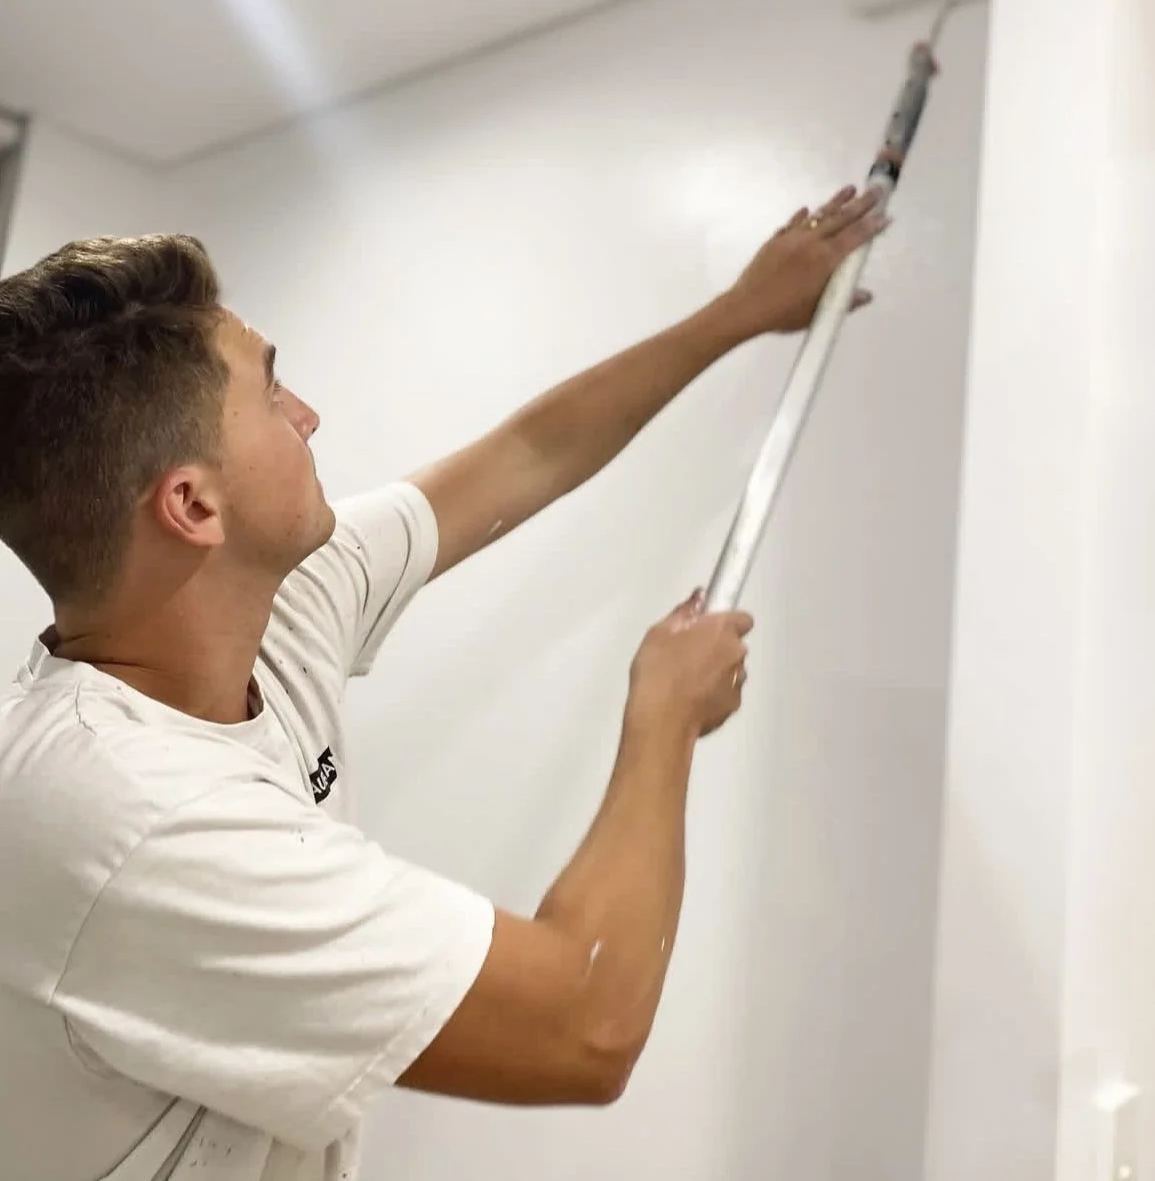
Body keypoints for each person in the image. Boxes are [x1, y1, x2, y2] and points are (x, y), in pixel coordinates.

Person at [0, 185, 887, 1181]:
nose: (308, 414)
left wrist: (741, 310)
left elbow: (527, 454)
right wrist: (666, 716)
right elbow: (585, 1023)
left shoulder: (271, 606)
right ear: (195, 503)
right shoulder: (123, 815)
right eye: (271, 392)